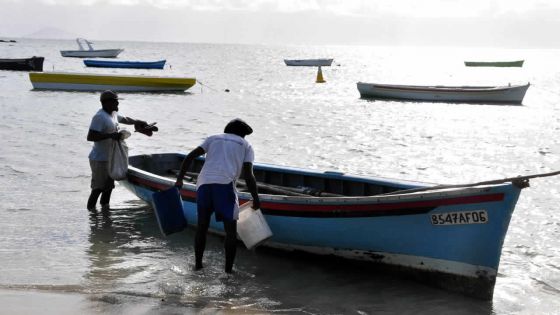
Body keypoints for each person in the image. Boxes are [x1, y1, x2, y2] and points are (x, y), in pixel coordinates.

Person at [174, 118, 260, 273]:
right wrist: (256, 198)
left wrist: (179, 179)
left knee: (202, 227)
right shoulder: (246, 145)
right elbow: (248, 175)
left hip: (204, 185)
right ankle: (228, 271)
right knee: (231, 232)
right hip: (225, 187)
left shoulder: (213, 138)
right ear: (242, 134)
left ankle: (198, 266)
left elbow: (190, 156)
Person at [86, 90, 148, 211]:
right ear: (106, 103)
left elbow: (124, 119)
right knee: (98, 189)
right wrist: (110, 136)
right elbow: (90, 136)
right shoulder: (99, 117)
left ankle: (105, 215)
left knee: (108, 188)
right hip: (100, 159)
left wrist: (136, 122)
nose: (118, 105)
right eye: (115, 102)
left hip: (111, 158)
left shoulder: (113, 114)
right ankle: (92, 216)